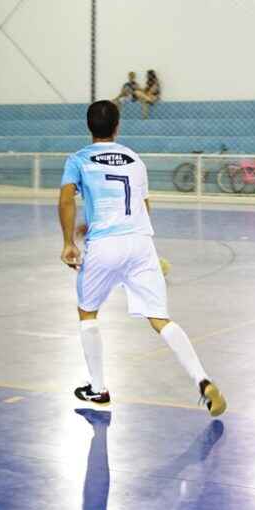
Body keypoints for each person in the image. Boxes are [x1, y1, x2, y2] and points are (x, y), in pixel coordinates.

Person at [58, 100, 226, 416]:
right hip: (140, 243)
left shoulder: (78, 159)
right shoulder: (134, 159)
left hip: (105, 245)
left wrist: (69, 242)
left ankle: (98, 388)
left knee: (87, 312)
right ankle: (203, 380)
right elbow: (142, 206)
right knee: (160, 318)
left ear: (88, 126)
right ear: (118, 127)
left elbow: (66, 199)